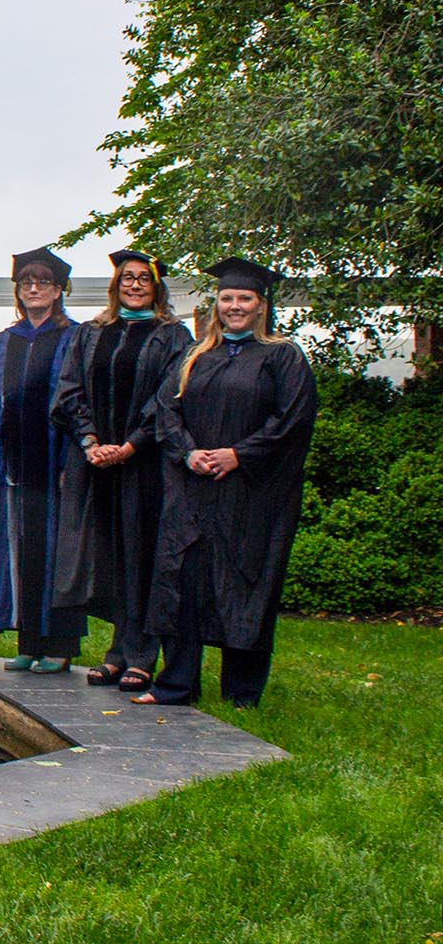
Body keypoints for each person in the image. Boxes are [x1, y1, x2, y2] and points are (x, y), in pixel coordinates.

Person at [136, 256, 316, 708]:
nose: (235, 306)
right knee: (182, 580)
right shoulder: (196, 355)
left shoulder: (282, 356)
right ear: (216, 304)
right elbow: (165, 411)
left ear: (260, 305)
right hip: (193, 489)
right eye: (227, 298)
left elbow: (292, 421)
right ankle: (176, 684)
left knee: (246, 583)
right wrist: (188, 452)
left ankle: (242, 692)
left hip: (250, 494)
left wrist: (239, 454)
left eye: (244, 299)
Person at [50, 250, 193, 693]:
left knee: (143, 556)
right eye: (126, 278)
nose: (134, 285)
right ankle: (115, 653)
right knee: (108, 558)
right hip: (96, 465)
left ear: (157, 287)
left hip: (145, 465)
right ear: (116, 286)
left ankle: (141, 655)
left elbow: (170, 398)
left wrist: (131, 446)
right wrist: (91, 442)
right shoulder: (92, 333)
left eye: (143, 279)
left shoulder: (173, 336)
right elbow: (69, 390)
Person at [0, 248, 81, 674]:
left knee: (56, 554)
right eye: (26, 282)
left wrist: (74, 461)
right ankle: (28, 641)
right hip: (10, 463)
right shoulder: (6, 341)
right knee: (17, 548)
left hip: (55, 464)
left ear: (58, 291)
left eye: (43, 282)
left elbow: (77, 402)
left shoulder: (73, 336)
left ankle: (61, 644)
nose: (34, 289)